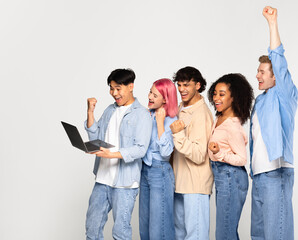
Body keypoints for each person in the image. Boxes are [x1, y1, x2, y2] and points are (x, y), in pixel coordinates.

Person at [84, 68, 152, 240]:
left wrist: (112, 155)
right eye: (111, 88)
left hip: (125, 184)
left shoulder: (142, 114)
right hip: (102, 179)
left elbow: (140, 148)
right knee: (92, 228)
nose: (114, 93)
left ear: (131, 86)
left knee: (120, 232)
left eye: (118, 88)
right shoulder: (109, 110)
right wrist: (90, 112)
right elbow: (95, 137)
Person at [250, 6, 298, 240]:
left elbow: (278, 58)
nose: (257, 75)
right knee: (259, 235)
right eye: (257, 71)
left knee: (275, 235)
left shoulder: (284, 95)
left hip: (276, 173)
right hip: (259, 174)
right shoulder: (260, 102)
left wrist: (272, 23)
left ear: (275, 77)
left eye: (262, 72)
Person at [207, 73, 254, 240]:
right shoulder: (219, 118)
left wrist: (219, 152)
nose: (216, 98)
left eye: (222, 94)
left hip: (231, 177)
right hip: (222, 176)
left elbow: (242, 159)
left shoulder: (232, 125)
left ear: (233, 97)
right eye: (215, 93)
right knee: (225, 230)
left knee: (225, 232)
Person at [170, 66, 214, 240]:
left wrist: (178, 134)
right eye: (179, 85)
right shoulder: (181, 107)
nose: (181, 89)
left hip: (195, 185)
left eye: (186, 85)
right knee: (179, 234)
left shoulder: (201, 113)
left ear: (198, 85)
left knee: (195, 235)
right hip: (179, 182)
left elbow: (198, 154)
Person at [139, 78, 178, 240]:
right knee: (144, 226)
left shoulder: (171, 120)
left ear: (166, 99)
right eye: (150, 92)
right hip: (145, 170)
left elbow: (167, 152)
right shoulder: (148, 115)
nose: (150, 96)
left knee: (159, 227)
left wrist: (160, 123)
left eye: (155, 95)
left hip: (160, 172)